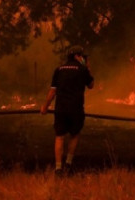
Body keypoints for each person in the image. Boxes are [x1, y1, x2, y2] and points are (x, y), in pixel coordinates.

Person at [41, 45, 94, 176]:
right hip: (76, 108)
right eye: (82, 56)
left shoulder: (59, 70)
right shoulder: (82, 69)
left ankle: (58, 169)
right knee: (74, 134)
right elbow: (91, 85)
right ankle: (68, 164)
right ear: (77, 56)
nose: (83, 58)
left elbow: (53, 91)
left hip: (61, 109)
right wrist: (88, 68)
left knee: (59, 137)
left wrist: (45, 106)